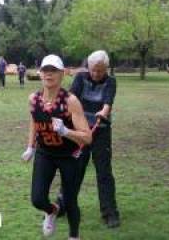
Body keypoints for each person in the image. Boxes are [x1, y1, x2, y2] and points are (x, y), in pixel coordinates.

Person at [21, 54, 92, 240]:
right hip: (45, 153)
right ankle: (51, 211)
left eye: (53, 71)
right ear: (40, 73)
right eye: (45, 70)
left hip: (69, 155)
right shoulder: (34, 99)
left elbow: (87, 137)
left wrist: (66, 131)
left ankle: (74, 236)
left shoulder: (70, 101)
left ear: (62, 74)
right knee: (37, 199)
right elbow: (34, 121)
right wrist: (31, 147)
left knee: (70, 201)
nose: (48, 74)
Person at [56, 50, 121, 228]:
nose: (96, 74)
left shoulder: (111, 81)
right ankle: (63, 205)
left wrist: (104, 112)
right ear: (89, 67)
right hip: (80, 131)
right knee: (74, 169)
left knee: (104, 172)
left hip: (101, 132)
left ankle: (109, 212)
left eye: (100, 70)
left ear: (106, 69)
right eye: (93, 69)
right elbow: (71, 99)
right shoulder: (80, 78)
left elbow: (108, 102)